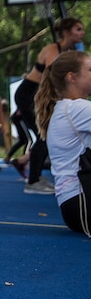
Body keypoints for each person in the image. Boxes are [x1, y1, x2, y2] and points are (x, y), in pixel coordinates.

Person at [13, 17, 84, 195]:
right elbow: (54, 77)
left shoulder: (69, 51)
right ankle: (33, 181)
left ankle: (26, 166)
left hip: (39, 94)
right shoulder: (53, 49)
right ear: (67, 32)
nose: (82, 32)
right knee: (43, 137)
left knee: (46, 136)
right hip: (28, 93)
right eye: (78, 29)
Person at [34, 50, 91, 235]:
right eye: (90, 69)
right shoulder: (77, 109)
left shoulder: (65, 108)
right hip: (82, 203)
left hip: (74, 205)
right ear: (71, 77)